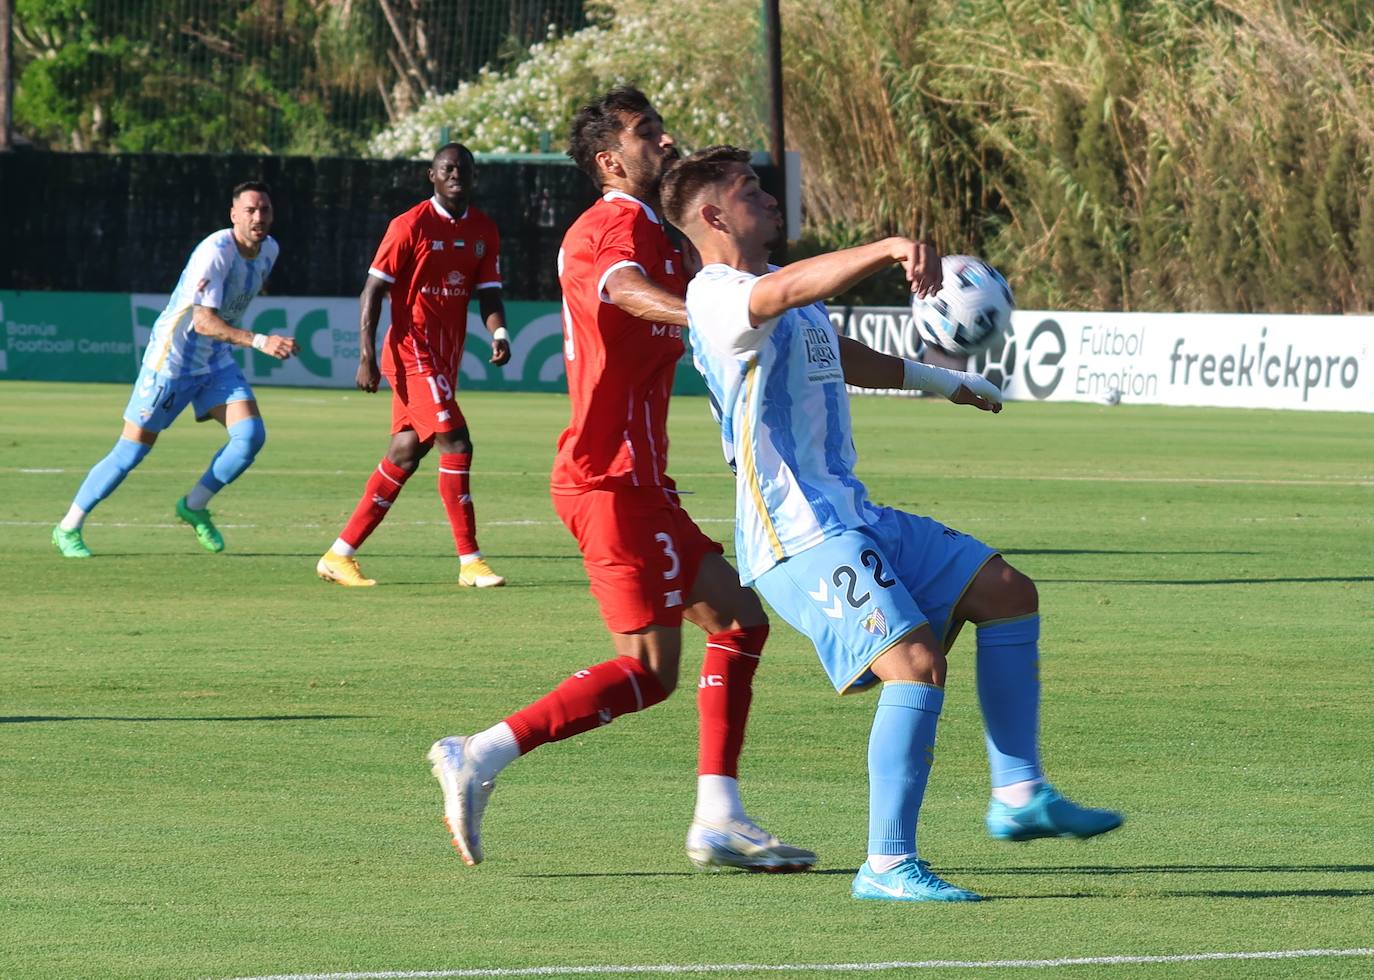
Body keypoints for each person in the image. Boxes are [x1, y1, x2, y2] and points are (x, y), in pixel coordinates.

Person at [660, 145, 1123, 902]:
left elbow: (837, 354)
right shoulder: (716, 294)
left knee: (1006, 590)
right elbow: (778, 297)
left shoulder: (782, 294)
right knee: (913, 665)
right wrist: (886, 247)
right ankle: (885, 865)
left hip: (851, 513)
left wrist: (947, 383)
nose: (768, 197)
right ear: (712, 216)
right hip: (797, 533)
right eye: (748, 189)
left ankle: (1018, 794)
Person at [426, 89, 814, 873]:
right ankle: (479, 754)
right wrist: (699, 318)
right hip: (607, 479)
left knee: (738, 620)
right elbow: (620, 290)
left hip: (640, 481)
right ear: (609, 160)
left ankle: (719, 816)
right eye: (646, 134)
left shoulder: (659, 229)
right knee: (644, 667)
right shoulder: (614, 224)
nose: (664, 139)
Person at [52, 181, 298, 558]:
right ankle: (68, 527)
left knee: (250, 436)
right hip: (172, 362)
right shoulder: (215, 253)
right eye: (250, 210)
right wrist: (261, 341)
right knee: (130, 451)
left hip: (214, 361)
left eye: (264, 209)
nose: (258, 217)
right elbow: (202, 321)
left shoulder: (271, 250)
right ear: (234, 215)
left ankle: (194, 506)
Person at [316, 143, 511, 589]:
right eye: (448, 168)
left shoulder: (484, 229)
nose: (456, 174)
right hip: (410, 351)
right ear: (432, 176)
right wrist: (366, 356)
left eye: (464, 168)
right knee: (457, 443)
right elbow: (372, 290)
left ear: (473, 176)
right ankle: (470, 560)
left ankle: (339, 554)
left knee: (406, 453)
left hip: (445, 356)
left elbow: (489, 292)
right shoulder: (409, 225)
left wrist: (499, 333)